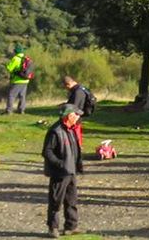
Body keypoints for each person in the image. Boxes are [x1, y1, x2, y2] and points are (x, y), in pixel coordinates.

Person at [42, 104, 84, 238]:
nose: (78, 117)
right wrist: (60, 164)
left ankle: (71, 226)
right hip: (59, 173)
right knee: (56, 202)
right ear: (69, 115)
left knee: (71, 200)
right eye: (76, 114)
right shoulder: (55, 131)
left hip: (71, 171)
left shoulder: (71, 129)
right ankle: (52, 228)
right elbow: (47, 152)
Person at [62, 76, 89, 147]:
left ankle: (77, 148)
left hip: (75, 116)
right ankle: (76, 148)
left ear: (68, 84)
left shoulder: (77, 92)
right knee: (76, 132)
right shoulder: (79, 89)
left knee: (75, 133)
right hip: (77, 114)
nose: (67, 89)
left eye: (66, 87)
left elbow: (74, 106)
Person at [4, 45, 31, 115]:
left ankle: (9, 110)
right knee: (22, 96)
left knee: (11, 95)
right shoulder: (25, 58)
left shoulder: (15, 58)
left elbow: (9, 68)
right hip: (25, 79)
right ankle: (21, 110)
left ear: (16, 51)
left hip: (17, 80)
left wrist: (6, 65)